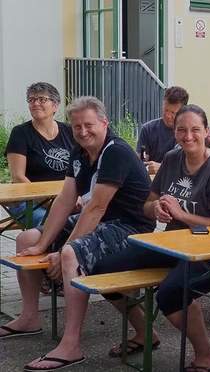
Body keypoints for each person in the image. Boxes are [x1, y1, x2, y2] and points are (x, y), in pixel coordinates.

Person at [0, 97, 155, 371]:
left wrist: (61, 253)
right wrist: (43, 245)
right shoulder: (79, 151)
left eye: (89, 125)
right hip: (103, 220)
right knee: (27, 239)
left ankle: (71, 345)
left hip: (130, 226)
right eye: (77, 127)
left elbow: (95, 208)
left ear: (105, 123)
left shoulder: (116, 151)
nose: (83, 132)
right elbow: (65, 199)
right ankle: (29, 317)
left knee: (72, 254)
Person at [92, 104, 210, 371]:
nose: (188, 136)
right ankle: (144, 333)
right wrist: (157, 209)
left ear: (207, 132)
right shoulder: (172, 159)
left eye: (195, 130)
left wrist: (182, 215)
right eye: (182, 130)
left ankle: (206, 356)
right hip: (174, 245)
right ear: (174, 133)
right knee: (103, 270)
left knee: (170, 294)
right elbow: (147, 204)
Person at [4, 82, 75, 228]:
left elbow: (81, 168)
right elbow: (18, 177)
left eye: (42, 99)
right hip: (29, 201)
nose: (35, 103)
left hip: (66, 198)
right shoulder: (20, 133)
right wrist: (50, 201)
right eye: (31, 100)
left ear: (55, 105)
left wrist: (72, 198)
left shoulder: (70, 131)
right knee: (52, 225)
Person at [137, 86, 189, 174]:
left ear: (183, 111)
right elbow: (141, 161)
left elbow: (192, 165)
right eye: (166, 110)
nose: (168, 116)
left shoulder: (189, 134)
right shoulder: (148, 129)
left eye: (173, 113)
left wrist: (162, 167)